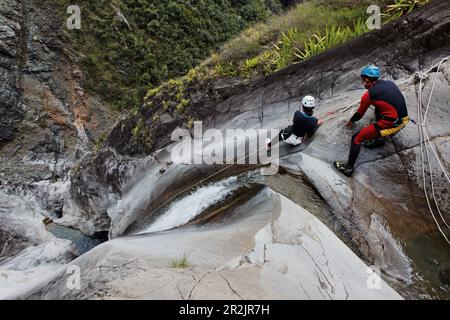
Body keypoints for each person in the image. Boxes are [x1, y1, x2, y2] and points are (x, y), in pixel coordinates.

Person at [334, 65, 409, 177]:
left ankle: (348, 169)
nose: (362, 82)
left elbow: (359, 114)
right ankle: (379, 140)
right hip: (404, 119)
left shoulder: (368, 95)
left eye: (363, 79)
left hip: (394, 123)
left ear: (367, 79)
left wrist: (350, 122)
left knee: (356, 138)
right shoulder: (389, 83)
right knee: (378, 109)